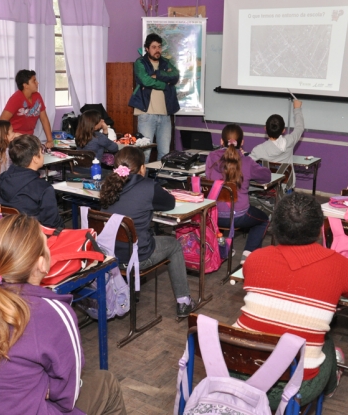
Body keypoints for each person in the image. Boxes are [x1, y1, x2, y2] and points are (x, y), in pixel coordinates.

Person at [0, 214, 127, 415]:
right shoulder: (53, 314)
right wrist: (45, 389)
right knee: (106, 384)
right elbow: (67, 397)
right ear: (41, 263)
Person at [235, 192, 348, 408]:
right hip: (293, 386)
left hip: (239, 371)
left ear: (276, 228)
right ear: (320, 230)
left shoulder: (254, 259)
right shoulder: (339, 266)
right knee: (326, 342)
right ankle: (329, 386)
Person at [99, 146, 196, 318]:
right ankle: (184, 302)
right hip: (136, 256)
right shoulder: (148, 186)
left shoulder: (107, 186)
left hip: (109, 255)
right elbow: (170, 204)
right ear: (142, 168)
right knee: (174, 245)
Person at [205, 124, 271, 265]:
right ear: (242, 142)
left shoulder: (211, 157)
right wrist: (246, 156)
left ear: (221, 141)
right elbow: (266, 177)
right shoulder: (246, 161)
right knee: (263, 220)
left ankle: (222, 245)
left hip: (212, 215)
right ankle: (247, 254)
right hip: (238, 216)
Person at [128, 33, 180, 161]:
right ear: (146, 48)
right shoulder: (140, 63)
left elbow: (175, 75)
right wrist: (165, 84)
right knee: (144, 153)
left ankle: (160, 180)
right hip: (147, 114)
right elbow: (146, 81)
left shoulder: (166, 62)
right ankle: (141, 181)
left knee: (165, 153)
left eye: (159, 47)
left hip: (165, 115)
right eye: (154, 47)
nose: (157, 50)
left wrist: (157, 74)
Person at [0, 134, 63, 228]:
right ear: (35, 159)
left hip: (7, 235)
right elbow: (52, 225)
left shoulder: (2, 180)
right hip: (33, 238)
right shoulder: (44, 189)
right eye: (41, 151)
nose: (43, 154)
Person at [0, 69, 54, 149]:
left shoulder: (37, 96)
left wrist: (50, 140)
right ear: (25, 85)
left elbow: (44, 119)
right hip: (15, 140)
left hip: (28, 139)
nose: (37, 83)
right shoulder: (16, 99)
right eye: (34, 81)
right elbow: (1, 122)